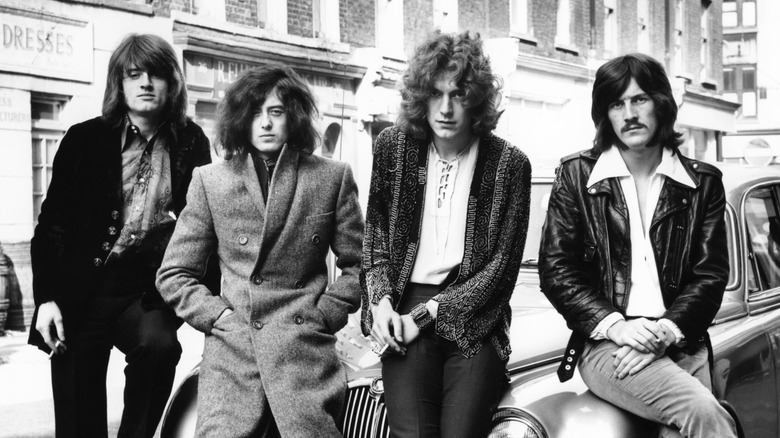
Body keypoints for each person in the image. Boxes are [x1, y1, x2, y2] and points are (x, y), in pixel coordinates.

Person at [156, 65, 364, 437]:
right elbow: (174, 274)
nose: (265, 123)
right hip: (234, 355)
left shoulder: (331, 177)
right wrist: (220, 319)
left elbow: (359, 265)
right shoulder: (211, 181)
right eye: (254, 113)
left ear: (293, 117)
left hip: (304, 352)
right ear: (240, 120)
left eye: (276, 112)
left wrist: (325, 316)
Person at [539, 53, 737, 437]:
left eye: (639, 99)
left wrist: (665, 330)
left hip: (681, 337)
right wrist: (616, 328)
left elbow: (710, 276)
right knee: (705, 414)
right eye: (617, 104)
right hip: (608, 343)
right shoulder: (578, 175)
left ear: (661, 103)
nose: (629, 113)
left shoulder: (703, 183)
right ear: (605, 114)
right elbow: (557, 270)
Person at [29, 33, 214, 437]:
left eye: (156, 74)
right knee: (79, 420)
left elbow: (203, 227)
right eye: (134, 74)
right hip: (81, 291)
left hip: (145, 291)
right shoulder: (84, 138)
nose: (146, 82)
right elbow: (51, 227)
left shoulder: (192, 142)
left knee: (161, 347)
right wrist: (46, 299)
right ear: (120, 83)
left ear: (172, 85)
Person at [361, 31, 532, 438]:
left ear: (476, 99)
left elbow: (502, 270)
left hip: (477, 318)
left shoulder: (510, 164)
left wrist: (426, 315)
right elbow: (376, 238)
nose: (446, 108)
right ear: (420, 97)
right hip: (404, 306)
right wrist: (381, 304)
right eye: (435, 94)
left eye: (457, 94)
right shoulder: (392, 147)